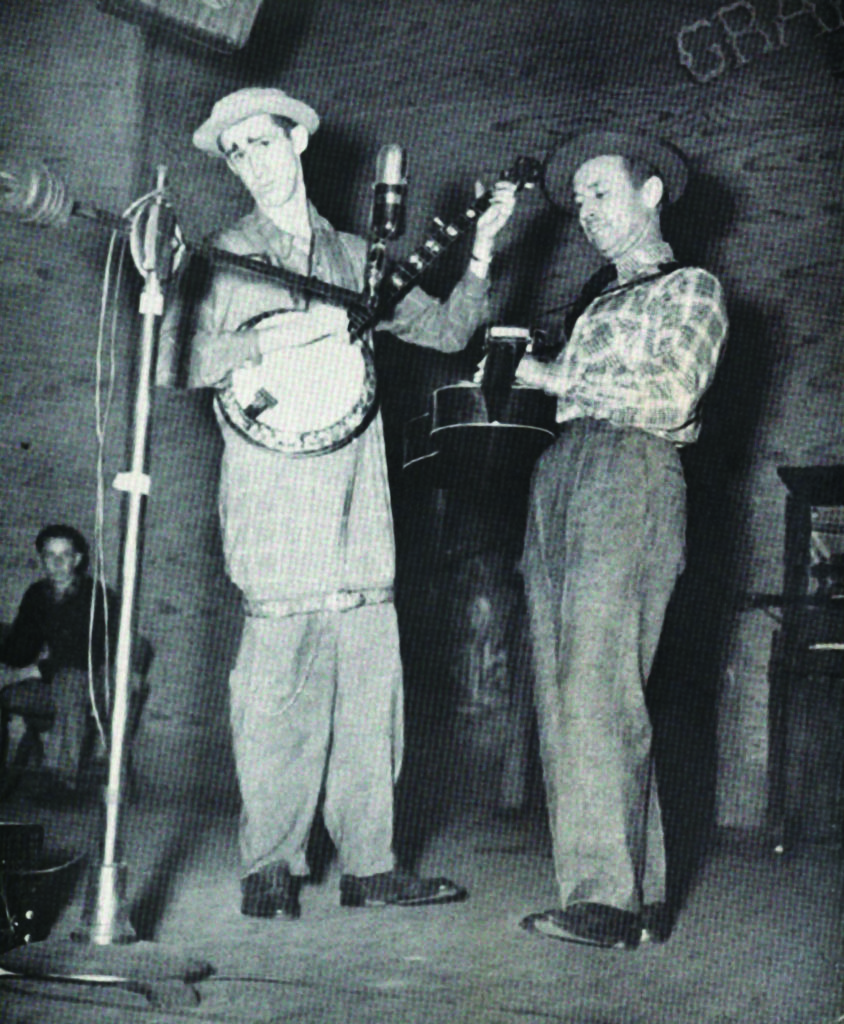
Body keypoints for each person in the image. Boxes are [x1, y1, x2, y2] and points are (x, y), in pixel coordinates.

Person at [164, 87, 516, 919]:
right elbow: (174, 361)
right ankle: (271, 865)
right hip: (274, 500)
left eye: (262, 142)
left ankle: (371, 865)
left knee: (368, 685)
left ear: (298, 142)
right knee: (275, 689)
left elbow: (447, 331)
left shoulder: (361, 257)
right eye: (236, 153)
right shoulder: (221, 258)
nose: (251, 163)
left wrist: (482, 253)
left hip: (358, 502)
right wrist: (266, 338)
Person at [513, 130, 728, 949]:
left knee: (601, 683)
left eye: (601, 192)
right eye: (578, 202)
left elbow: (673, 395)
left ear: (651, 192)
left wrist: (556, 375)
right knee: (563, 686)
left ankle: (606, 900)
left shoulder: (692, 288)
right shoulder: (595, 303)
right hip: (562, 469)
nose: (587, 213)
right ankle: (634, 893)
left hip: (631, 469)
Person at [0, 524, 117, 796]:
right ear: (41, 559)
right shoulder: (37, 594)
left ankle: (61, 778)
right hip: (52, 681)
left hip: (94, 684)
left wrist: (32, 672)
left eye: (65, 555)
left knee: (70, 680)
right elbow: (21, 649)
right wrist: (7, 665)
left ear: (77, 559)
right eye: (49, 555)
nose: (57, 562)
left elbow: (85, 656)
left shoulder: (97, 597)